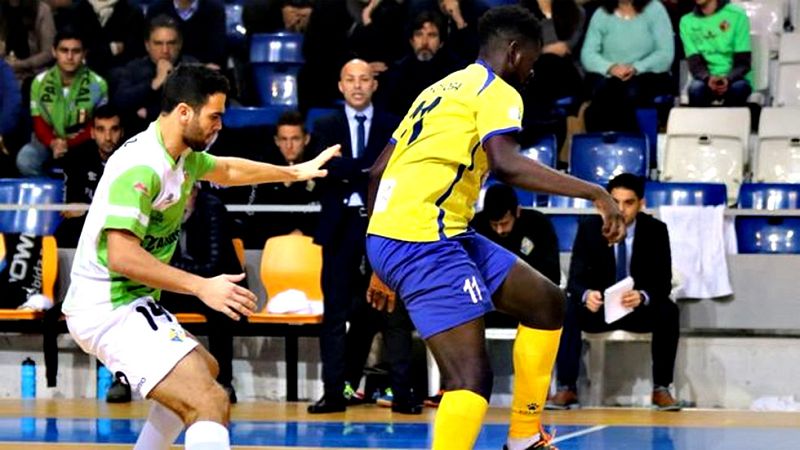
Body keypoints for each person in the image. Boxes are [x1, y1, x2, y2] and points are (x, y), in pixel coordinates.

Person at [365, 6, 625, 450]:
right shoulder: (497, 89)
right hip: (424, 240)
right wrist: (596, 193)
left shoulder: (441, 87)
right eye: (532, 59)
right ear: (513, 51)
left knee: (546, 303)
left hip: (421, 234)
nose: (532, 70)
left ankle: (524, 438)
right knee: (470, 378)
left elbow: (376, 172)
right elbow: (507, 164)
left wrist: (380, 261)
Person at [62, 64, 339, 450]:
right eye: (214, 116)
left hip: (130, 300)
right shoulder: (141, 167)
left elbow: (227, 169)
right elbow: (121, 256)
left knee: (207, 371)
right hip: (106, 308)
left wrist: (294, 172)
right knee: (209, 400)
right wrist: (201, 286)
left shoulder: (182, 155)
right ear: (184, 112)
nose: (219, 126)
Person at [306, 58, 400, 414]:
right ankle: (332, 393)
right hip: (338, 227)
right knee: (333, 314)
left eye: (365, 79)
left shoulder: (392, 124)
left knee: (384, 310)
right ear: (340, 85)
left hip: (379, 226)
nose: (358, 85)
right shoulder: (325, 125)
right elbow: (326, 166)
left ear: (374, 84)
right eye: (351, 79)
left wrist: (351, 168)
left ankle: (399, 390)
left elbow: (390, 169)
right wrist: (365, 168)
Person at [548, 173, 681, 411]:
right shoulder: (589, 229)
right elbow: (575, 280)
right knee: (568, 309)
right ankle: (566, 387)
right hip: (598, 310)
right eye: (615, 202)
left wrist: (643, 296)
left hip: (636, 309)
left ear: (641, 204)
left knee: (668, 311)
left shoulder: (656, 230)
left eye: (628, 203)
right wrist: (587, 295)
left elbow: (663, 282)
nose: (620, 209)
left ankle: (661, 387)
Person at [16, 28, 108, 177]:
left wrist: (68, 145)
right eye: (64, 50)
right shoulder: (39, 82)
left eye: (76, 51)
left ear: (84, 53)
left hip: (84, 142)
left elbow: (98, 124)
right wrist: (53, 143)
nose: (70, 57)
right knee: (26, 159)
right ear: (54, 52)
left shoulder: (97, 85)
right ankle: (49, 198)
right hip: (46, 141)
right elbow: (39, 122)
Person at [472, 182, 560, 329]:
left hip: (528, 306)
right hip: (489, 309)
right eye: (494, 225)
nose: (499, 230)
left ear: (517, 212)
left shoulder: (539, 224)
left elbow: (551, 274)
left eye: (504, 223)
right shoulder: (476, 227)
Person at [580, 0, 674, 132]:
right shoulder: (601, 14)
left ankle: (630, 146)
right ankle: (605, 147)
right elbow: (587, 54)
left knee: (629, 92)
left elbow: (665, 54)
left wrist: (636, 67)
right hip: (611, 76)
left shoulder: (655, 9)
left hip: (647, 74)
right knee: (602, 96)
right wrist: (611, 67)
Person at [241, 110, 320, 245]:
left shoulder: (318, 173)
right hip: (269, 245)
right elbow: (253, 214)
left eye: (295, 139)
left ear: (306, 139)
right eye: (284, 139)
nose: (289, 146)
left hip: (309, 245)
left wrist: (303, 231)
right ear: (276, 141)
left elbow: (324, 216)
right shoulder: (264, 172)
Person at [112, 15, 199, 135]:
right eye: (158, 43)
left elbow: (201, 107)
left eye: (171, 43)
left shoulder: (193, 67)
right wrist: (154, 83)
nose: (165, 50)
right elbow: (119, 102)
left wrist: (148, 112)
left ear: (180, 44)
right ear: (147, 45)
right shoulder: (134, 69)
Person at [56, 104, 124, 247]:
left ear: (122, 132)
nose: (108, 137)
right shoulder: (76, 157)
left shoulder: (132, 159)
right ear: (92, 133)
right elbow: (72, 210)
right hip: (85, 228)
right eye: (101, 130)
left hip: (121, 228)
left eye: (114, 130)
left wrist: (88, 209)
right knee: (65, 234)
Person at [379, 10, 465, 116]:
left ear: (441, 42)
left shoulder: (455, 72)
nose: (424, 42)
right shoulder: (397, 72)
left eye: (432, 35)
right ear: (411, 40)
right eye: (419, 34)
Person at [680, 0, 752, 106]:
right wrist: (708, 78)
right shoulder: (686, 21)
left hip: (735, 79)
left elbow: (743, 62)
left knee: (739, 88)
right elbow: (694, 62)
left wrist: (728, 79)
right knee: (695, 89)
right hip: (705, 79)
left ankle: (730, 122)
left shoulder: (737, 15)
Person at [145, 0, 227, 69]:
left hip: (202, 72)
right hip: (161, 68)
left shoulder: (214, 9)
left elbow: (216, 51)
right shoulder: (156, 9)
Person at [0, 0, 56, 83]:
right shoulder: (2, 9)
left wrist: (19, 65)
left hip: (33, 75)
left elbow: (49, 52)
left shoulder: (41, 10)